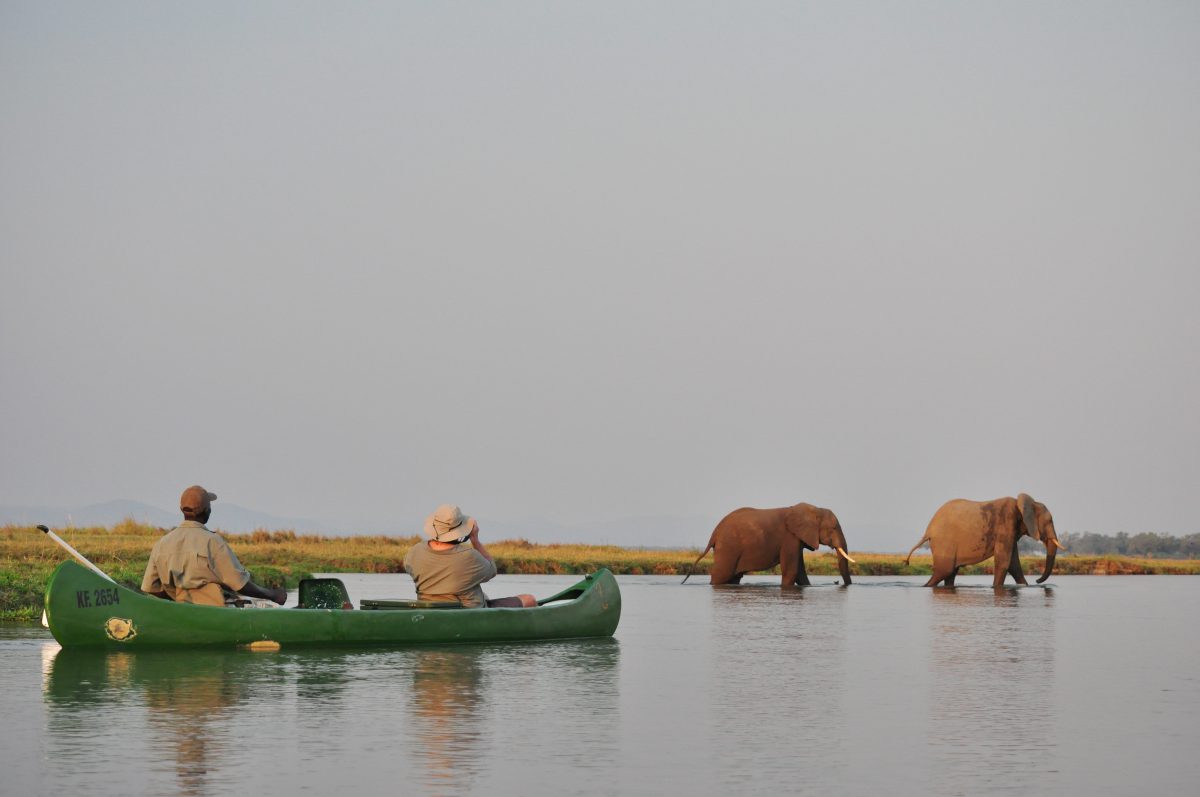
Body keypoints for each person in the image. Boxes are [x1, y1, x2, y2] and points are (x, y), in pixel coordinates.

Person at [141, 485, 287, 607]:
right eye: (209, 506)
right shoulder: (213, 541)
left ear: (181, 509)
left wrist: (178, 601)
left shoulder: (161, 544)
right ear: (206, 511)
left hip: (181, 611)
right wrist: (272, 595)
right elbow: (240, 584)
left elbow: (151, 588)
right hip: (213, 613)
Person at [404, 504, 536, 608]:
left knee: (484, 596)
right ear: (459, 529)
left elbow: (409, 568)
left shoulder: (415, 551)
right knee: (529, 599)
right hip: (467, 611)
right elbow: (492, 570)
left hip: (429, 609)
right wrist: (475, 540)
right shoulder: (469, 556)